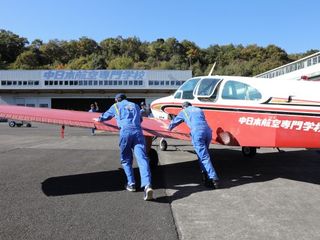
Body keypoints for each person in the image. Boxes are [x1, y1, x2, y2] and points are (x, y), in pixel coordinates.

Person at [96, 94, 153, 200]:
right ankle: (147, 185)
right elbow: (140, 120)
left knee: (126, 159)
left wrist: (99, 119)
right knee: (142, 159)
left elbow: (106, 116)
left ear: (117, 100)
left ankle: (131, 184)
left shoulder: (116, 106)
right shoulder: (135, 105)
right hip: (138, 132)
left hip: (125, 132)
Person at [167, 101, 219, 189]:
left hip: (198, 132)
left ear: (183, 107)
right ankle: (205, 178)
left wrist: (168, 128)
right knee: (203, 155)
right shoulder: (198, 109)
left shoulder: (183, 111)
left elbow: (175, 122)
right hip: (208, 132)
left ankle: (214, 179)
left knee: (204, 157)